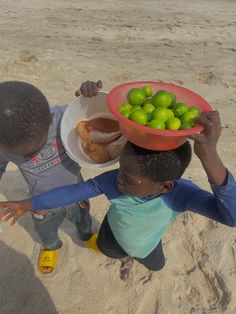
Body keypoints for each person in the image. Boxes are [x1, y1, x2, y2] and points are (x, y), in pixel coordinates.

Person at [0, 110, 235, 273]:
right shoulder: (114, 181)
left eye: (128, 178)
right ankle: (114, 253)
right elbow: (70, 193)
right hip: (112, 233)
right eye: (120, 169)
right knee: (106, 249)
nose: (118, 179)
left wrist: (209, 155)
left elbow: (230, 216)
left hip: (146, 246)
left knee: (156, 265)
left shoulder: (181, 195)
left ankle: (134, 259)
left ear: (164, 186)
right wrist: (27, 204)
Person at [0, 80, 102, 273]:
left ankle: (86, 235)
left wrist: (89, 96)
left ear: (50, 118)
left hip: (76, 193)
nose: (31, 157)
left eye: (36, 149)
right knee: (46, 231)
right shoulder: (3, 142)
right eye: (24, 156)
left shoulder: (64, 118)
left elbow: (92, 112)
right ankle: (51, 246)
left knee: (83, 219)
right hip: (41, 203)